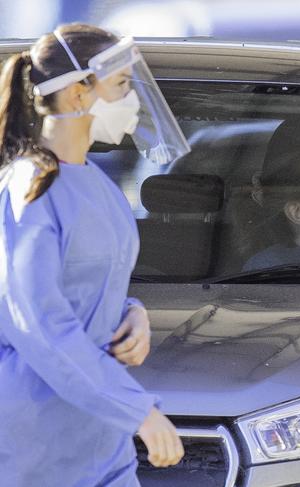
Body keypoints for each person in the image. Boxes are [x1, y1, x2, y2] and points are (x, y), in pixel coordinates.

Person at [0, 24, 189, 485]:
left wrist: (132, 312)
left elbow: (86, 287)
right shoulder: (30, 188)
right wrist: (139, 411)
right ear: (78, 95)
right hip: (36, 450)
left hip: (102, 444)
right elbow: (39, 325)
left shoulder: (98, 185)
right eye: (123, 85)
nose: (134, 99)